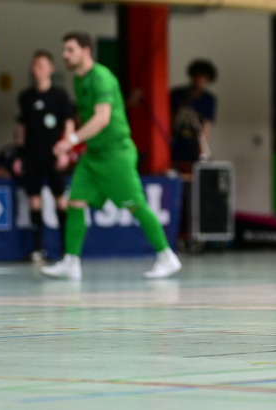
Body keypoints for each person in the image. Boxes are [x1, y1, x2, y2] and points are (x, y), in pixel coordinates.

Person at [42, 32, 181, 280]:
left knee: (136, 206)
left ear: (86, 51)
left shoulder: (101, 78)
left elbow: (102, 119)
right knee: (75, 202)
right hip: (93, 155)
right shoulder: (79, 79)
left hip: (116, 154)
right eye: (64, 50)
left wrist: (70, 142)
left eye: (70, 50)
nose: (65, 55)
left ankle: (167, 256)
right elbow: (83, 118)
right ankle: (71, 262)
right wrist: (70, 139)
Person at [15, 51, 76, 262]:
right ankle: (38, 249)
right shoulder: (25, 97)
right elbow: (22, 128)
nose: (36, 69)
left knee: (60, 199)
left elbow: (69, 124)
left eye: (41, 65)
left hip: (53, 154)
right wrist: (19, 155)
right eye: (34, 65)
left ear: (50, 69)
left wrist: (65, 150)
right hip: (32, 155)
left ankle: (66, 249)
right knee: (34, 200)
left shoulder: (60, 96)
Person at [170, 59, 218, 178]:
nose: (201, 80)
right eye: (199, 76)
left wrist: (203, 150)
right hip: (175, 144)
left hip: (194, 147)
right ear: (192, 76)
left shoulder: (208, 99)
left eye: (205, 77)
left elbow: (206, 127)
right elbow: (169, 119)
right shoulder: (177, 94)